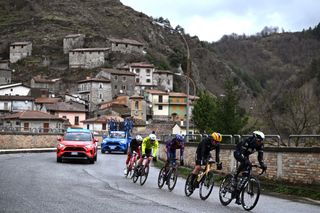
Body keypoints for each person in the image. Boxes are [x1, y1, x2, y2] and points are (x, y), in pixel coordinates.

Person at [233, 130, 267, 204]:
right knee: (245, 162)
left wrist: (263, 165)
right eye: (258, 141)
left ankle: (237, 195)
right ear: (254, 139)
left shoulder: (260, 145)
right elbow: (242, 153)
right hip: (238, 153)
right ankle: (235, 176)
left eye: (261, 141)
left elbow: (260, 157)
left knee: (246, 175)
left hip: (245, 155)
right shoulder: (247, 141)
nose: (260, 142)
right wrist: (246, 161)